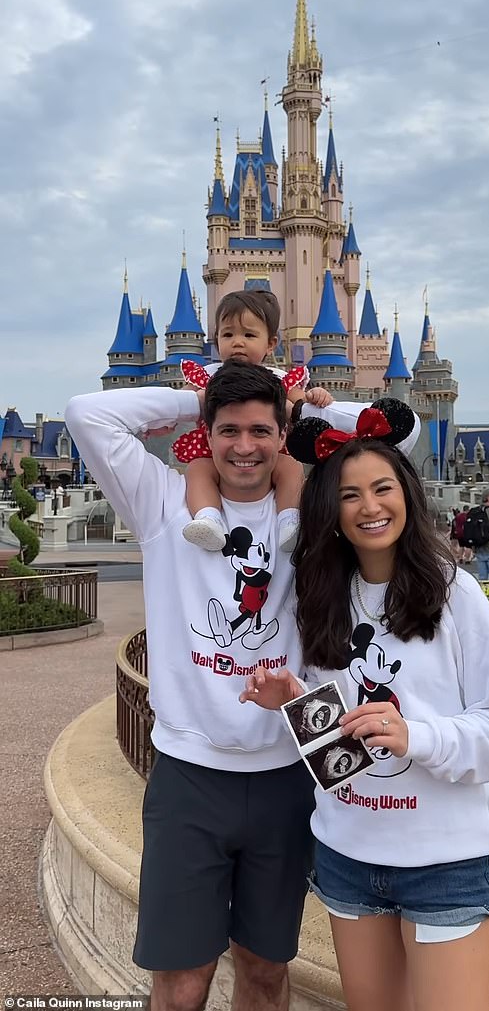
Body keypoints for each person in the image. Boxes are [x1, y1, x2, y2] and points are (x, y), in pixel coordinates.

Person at [65, 362, 391, 1011]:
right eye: (229, 429)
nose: (246, 445)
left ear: (284, 432)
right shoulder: (161, 502)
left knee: (266, 971)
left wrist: (308, 406)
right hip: (190, 777)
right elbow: (86, 413)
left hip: (283, 777)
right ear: (205, 435)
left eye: (262, 429)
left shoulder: (315, 509)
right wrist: (197, 395)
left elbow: (394, 443)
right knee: (182, 983)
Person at [240, 403, 489, 1011]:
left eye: (383, 488)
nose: (370, 507)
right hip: (349, 857)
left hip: (442, 862)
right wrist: (299, 704)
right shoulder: (322, 601)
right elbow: (340, 758)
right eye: (350, 495)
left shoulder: (455, 595)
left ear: (407, 495)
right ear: (331, 510)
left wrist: (414, 736)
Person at [172, 289, 332, 553]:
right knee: (198, 471)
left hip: (272, 452)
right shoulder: (206, 377)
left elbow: (303, 408)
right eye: (228, 335)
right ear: (216, 341)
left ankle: (289, 521)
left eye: (248, 335)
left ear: (270, 343)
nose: (237, 343)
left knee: (290, 468)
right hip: (212, 451)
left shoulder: (279, 378)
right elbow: (176, 404)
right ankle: (208, 519)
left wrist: (318, 396)